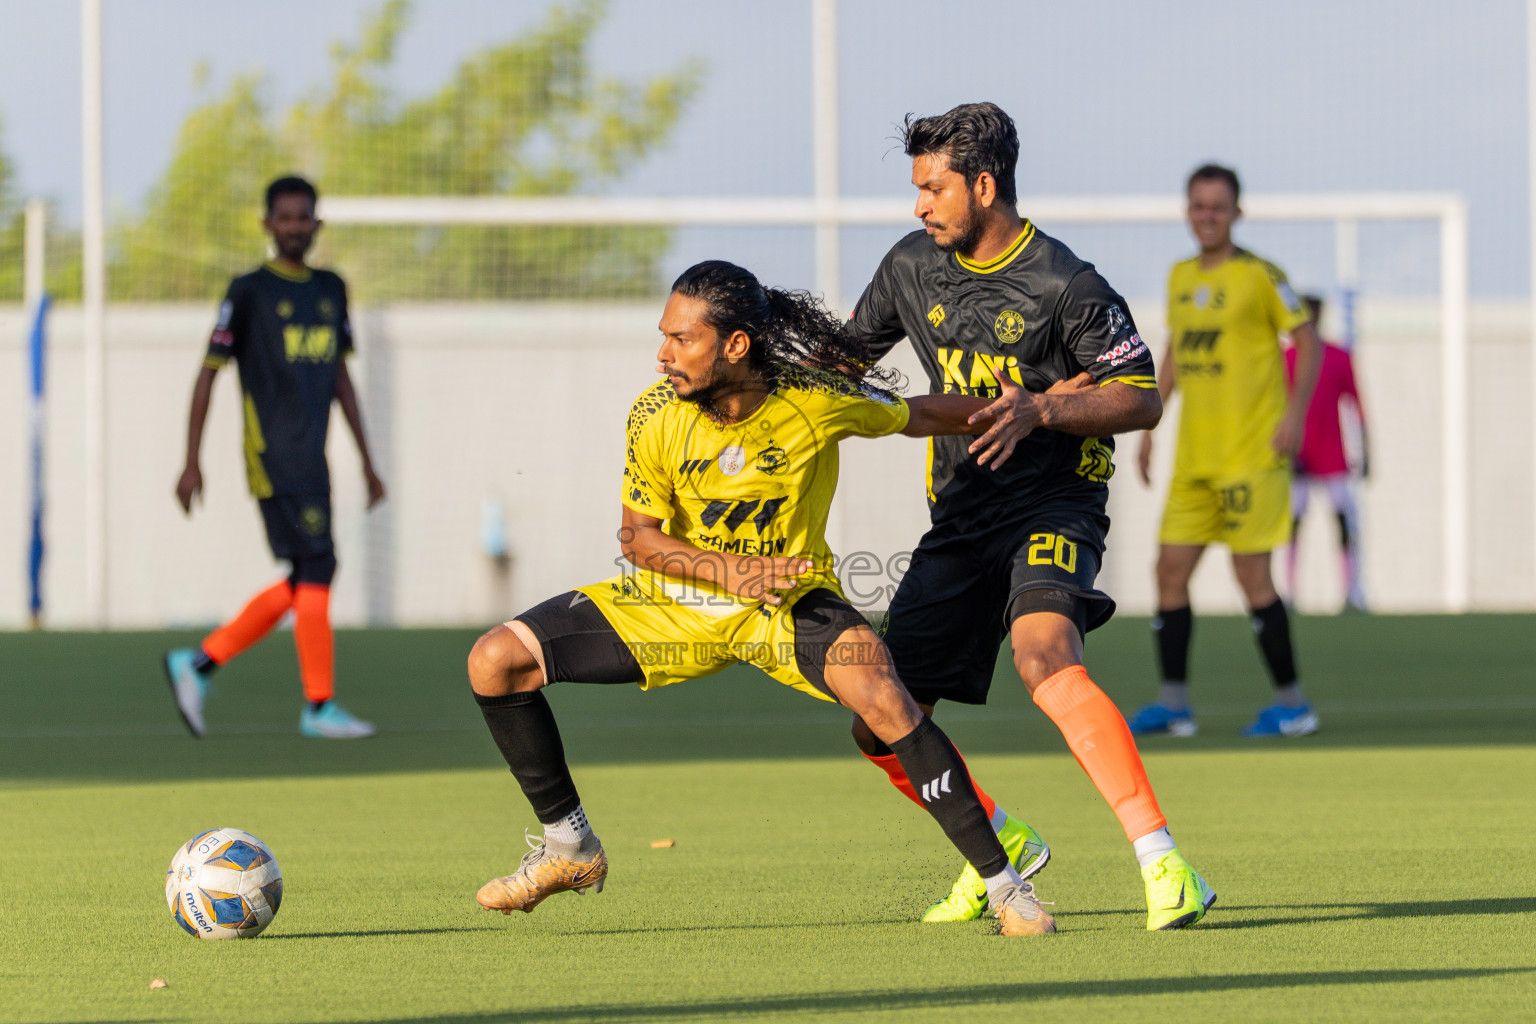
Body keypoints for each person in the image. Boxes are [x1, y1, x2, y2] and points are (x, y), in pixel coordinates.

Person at [465, 260, 1056, 937]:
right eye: (664, 336)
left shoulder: (816, 399)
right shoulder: (655, 412)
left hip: (787, 605)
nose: (663, 355)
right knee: (494, 660)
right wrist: (731, 573)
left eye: (681, 340)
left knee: (885, 696)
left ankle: (1007, 890)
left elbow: (916, 415)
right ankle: (569, 847)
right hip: (670, 604)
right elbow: (639, 538)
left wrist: (1028, 413)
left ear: (737, 345)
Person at [841, 102, 1216, 931]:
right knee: (879, 716)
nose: (919, 205)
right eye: (916, 189)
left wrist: (1041, 412)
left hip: (1054, 504)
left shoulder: (1065, 284)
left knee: (1045, 658)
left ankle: (1165, 863)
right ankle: (998, 848)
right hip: (961, 514)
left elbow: (1141, 396)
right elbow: (842, 362)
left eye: (933, 188)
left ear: (984, 184)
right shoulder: (910, 265)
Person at [162, 176, 385, 740]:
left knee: (309, 572)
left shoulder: (332, 289)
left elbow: (340, 376)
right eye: (284, 218)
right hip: (272, 455)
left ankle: (200, 663)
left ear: (317, 224)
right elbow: (207, 375)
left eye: (303, 217)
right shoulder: (249, 292)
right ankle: (318, 705)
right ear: (267, 224)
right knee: (317, 567)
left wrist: (367, 460)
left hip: (314, 456)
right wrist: (191, 461)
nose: (294, 227)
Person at [1130, 164, 1322, 739]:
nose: (1206, 216)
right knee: (1168, 571)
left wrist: (1293, 416)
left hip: (1251, 456)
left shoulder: (1261, 275)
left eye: (1217, 206)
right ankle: (1174, 706)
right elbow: (1175, 353)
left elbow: (1306, 341)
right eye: (1197, 206)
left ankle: (1294, 705)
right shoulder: (1180, 276)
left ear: (1237, 212)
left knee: (1251, 577)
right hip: (1195, 461)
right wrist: (1150, 425)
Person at [1285, 295, 1369, 611]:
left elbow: (1357, 403)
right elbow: (1274, 408)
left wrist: (1366, 449)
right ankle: (1290, 593)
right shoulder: (1286, 357)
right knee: (1292, 524)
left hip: (1333, 455)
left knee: (1344, 521)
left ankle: (1352, 591)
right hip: (1299, 454)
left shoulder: (1337, 356)